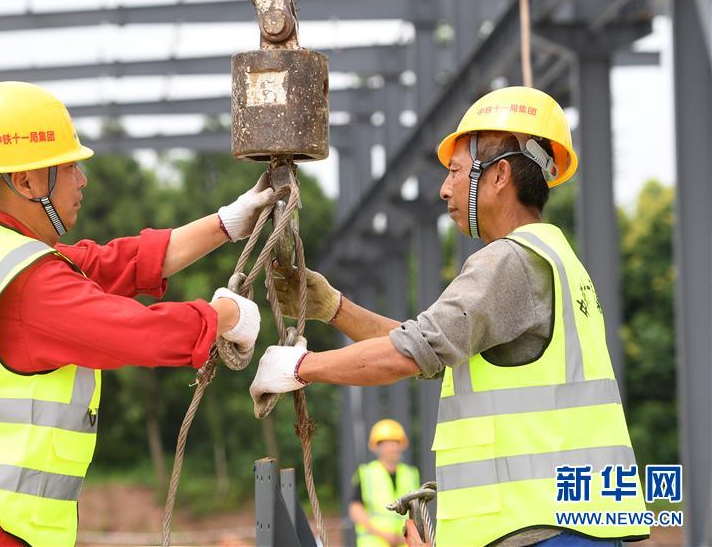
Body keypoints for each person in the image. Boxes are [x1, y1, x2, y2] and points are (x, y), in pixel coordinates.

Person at [251, 87, 651, 546]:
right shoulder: (559, 261)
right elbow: (430, 345)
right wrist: (334, 308)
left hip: (536, 531)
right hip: (571, 525)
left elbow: (411, 354)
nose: (444, 189)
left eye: (456, 172)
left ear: (499, 175)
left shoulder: (507, 261)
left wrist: (299, 368)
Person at [0, 81, 274, 547]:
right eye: (69, 167)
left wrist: (227, 222)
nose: (82, 180)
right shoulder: (32, 285)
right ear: (26, 181)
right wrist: (224, 315)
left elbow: (113, 262)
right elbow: (138, 333)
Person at [351, 419, 421, 547]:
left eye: (395, 442)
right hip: (375, 542)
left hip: (405, 542)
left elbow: (418, 511)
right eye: (387, 443)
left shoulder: (411, 474)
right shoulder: (366, 473)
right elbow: (356, 510)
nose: (392, 447)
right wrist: (382, 534)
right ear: (377, 447)